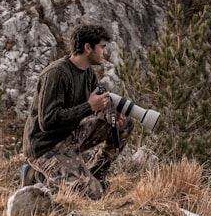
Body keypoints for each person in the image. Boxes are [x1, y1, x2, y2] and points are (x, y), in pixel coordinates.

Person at [21, 24, 134, 199]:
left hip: (71, 136)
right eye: (102, 47)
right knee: (89, 194)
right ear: (88, 47)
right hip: (46, 146)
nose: (105, 53)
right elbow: (47, 121)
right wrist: (88, 107)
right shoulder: (56, 74)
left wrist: (109, 114)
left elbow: (98, 106)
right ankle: (36, 176)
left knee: (125, 123)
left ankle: (96, 174)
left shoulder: (88, 73)